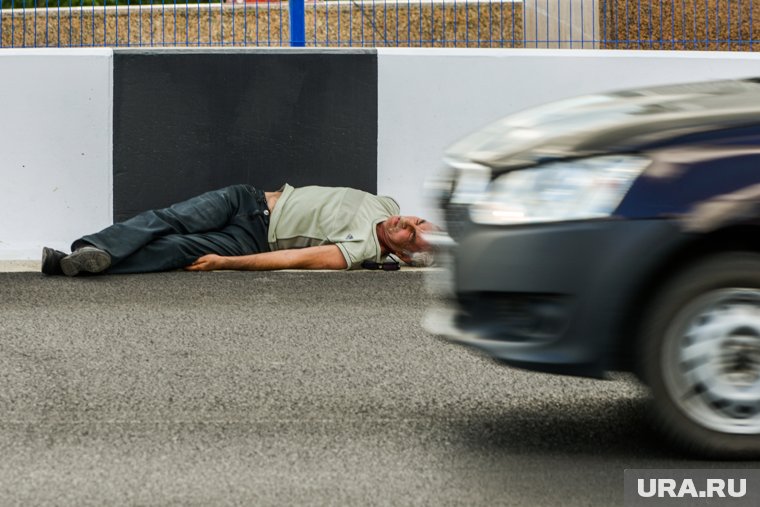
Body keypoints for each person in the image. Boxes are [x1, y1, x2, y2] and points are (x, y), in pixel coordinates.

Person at [41, 183, 436, 276]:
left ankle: (71, 265)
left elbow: (293, 257)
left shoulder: (361, 251)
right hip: (245, 200)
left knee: (179, 248)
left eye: (410, 237)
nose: (407, 225)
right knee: (168, 218)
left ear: (401, 254)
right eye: (417, 223)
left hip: (251, 239)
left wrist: (228, 262)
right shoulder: (388, 206)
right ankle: (90, 248)